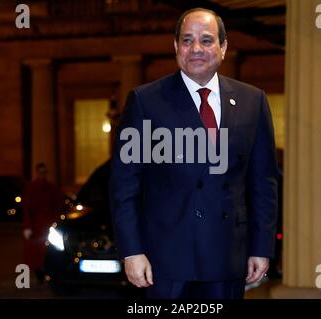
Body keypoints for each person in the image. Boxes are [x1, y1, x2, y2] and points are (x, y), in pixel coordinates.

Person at [109, 8, 278, 299]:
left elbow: (263, 183)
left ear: (223, 47)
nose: (196, 48)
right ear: (176, 48)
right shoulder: (145, 101)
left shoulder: (253, 101)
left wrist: (261, 248)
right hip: (166, 259)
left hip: (227, 255)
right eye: (187, 40)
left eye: (207, 40)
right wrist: (132, 250)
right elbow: (124, 185)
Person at [22, 163, 64, 283]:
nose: (42, 174)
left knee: (48, 250)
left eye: (44, 172)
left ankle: (47, 271)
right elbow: (27, 208)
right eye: (40, 172)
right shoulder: (31, 188)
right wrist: (27, 226)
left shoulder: (52, 188)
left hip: (49, 224)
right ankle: (39, 272)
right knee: (36, 252)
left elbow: (59, 206)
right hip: (36, 225)